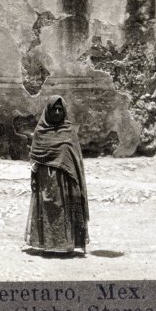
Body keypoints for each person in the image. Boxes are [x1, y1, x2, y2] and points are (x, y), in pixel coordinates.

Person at [25, 95, 89, 255]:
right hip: (45, 180)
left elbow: (76, 160)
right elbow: (35, 156)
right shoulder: (40, 132)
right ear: (48, 110)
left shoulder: (69, 132)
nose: (58, 112)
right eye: (55, 109)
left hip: (65, 181)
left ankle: (66, 245)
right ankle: (46, 245)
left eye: (61, 109)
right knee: (47, 211)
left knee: (63, 211)